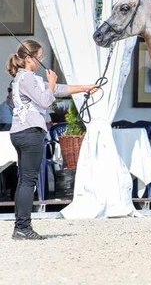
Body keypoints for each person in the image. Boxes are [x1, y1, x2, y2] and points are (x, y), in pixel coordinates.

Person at [6, 39, 98, 240]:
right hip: (30, 133)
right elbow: (46, 100)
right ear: (29, 59)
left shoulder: (29, 78)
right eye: (39, 58)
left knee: (25, 180)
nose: (41, 61)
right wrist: (53, 82)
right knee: (28, 181)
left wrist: (84, 88)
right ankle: (22, 227)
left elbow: (57, 90)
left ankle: (21, 226)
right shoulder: (28, 78)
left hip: (22, 132)